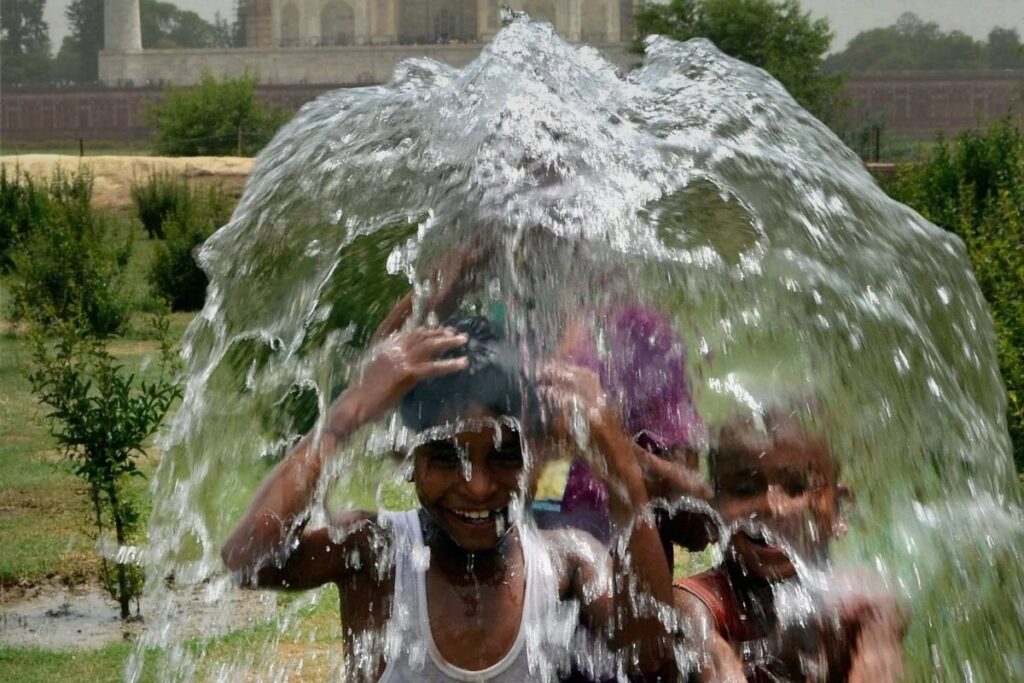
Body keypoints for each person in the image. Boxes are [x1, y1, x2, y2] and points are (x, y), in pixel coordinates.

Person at [221, 316, 676, 681]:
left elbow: (650, 658)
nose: (477, 486)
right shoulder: (376, 554)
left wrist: (615, 457)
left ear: (533, 454)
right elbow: (247, 556)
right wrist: (351, 409)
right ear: (409, 456)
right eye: (445, 456)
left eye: (504, 455)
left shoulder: (565, 562)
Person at [673, 409, 907, 682]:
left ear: (839, 511)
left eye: (797, 488)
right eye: (745, 489)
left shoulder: (862, 605)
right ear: (712, 512)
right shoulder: (698, 605)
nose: (774, 507)